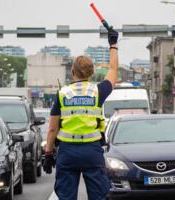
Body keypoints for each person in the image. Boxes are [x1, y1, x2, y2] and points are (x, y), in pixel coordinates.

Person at [43, 27, 119, 200]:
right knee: (98, 196)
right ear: (92, 73)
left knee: (66, 196)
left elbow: (52, 129)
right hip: (92, 151)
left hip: (67, 152)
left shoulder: (62, 94)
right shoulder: (98, 91)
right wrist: (113, 45)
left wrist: (48, 153)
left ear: (72, 72)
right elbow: (113, 70)